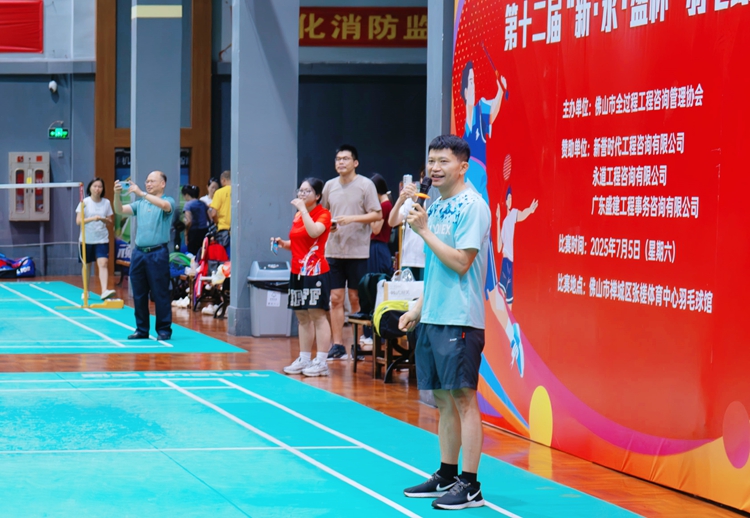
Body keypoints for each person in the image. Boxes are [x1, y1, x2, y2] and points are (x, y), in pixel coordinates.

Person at [399, 135, 491, 510]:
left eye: (443, 161)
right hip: (434, 315)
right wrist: (418, 309)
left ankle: (471, 485)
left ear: (462, 167)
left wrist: (424, 230)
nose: (435, 168)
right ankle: (447, 473)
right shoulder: (436, 205)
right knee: (442, 399)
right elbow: (437, 269)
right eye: (432, 161)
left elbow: (461, 263)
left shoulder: (473, 206)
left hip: (460, 318)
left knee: (464, 399)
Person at [321, 145, 382, 360]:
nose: (341, 162)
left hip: (358, 252)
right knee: (335, 298)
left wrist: (352, 219)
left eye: (345, 159)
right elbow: (323, 213)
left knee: (356, 298)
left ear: (355, 163)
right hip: (333, 250)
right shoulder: (329, 186)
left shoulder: (365, 185)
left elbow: (377, 214)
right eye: (338, 159)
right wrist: (328, 225)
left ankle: (359, 343)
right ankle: (337, 345)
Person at [271, 178, 333, 377]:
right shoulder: (298, 215)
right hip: (298, 271)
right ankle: (304, 358)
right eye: (301, 190)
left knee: (318, 315)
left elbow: (314, 232)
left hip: (316, 271)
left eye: (307, 191)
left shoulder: (324, 214)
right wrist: (284, 243)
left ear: (318, 196)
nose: (302, 194)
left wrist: (304, 210)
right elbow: (300, 242)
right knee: (302, 316)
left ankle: (321, 361)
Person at [114, 171, 175, 341]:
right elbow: (119, 210)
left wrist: (141, 193)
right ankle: (142, 329)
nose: (148, 184)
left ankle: (164, 330)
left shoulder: (168, 201)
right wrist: (116, 195)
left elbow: (165, 206)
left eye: (152, 181)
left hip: (158, 253)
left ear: (162, 184)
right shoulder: (140, 204)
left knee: (160, 293)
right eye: (147, 181)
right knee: (139, 294)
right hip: (139, 253)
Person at [359, 173, 393, 348]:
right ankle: (372, 333)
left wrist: (368, 213)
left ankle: (376, 334)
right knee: (373, 289)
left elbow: (376, 228)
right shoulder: (384, 205)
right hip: (376, 248)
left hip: (378, 249)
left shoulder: (384, 206)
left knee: (375, 289)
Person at [75, 177, 115, 300]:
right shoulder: (84, 202)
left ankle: (104, 291)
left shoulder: (106, 203)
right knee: (87, 266)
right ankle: (86, 290)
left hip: (102, 239)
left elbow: (110, 221)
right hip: (86, 240)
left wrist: (103, 219)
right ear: (90, 188)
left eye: (100, 187)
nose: (97, 189)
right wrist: (93, 218)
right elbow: (78, 221)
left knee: (103, 263)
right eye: (95, 186)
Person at [181, 184, 210, 256]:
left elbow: (189, 221)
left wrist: (186, 234)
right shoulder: (203, 203)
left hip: (193, 233)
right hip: (204, 231)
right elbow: (209, 218)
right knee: (203, 253)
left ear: (187, 195)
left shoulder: (188, 205)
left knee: (192, 255)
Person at [209, 170, 231, 254]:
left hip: (223, 231)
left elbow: (213, 214)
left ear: (223, 180)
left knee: (224, 257)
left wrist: (216, 222)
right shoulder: (238, 191)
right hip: (238, 231)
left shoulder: (219, 192)